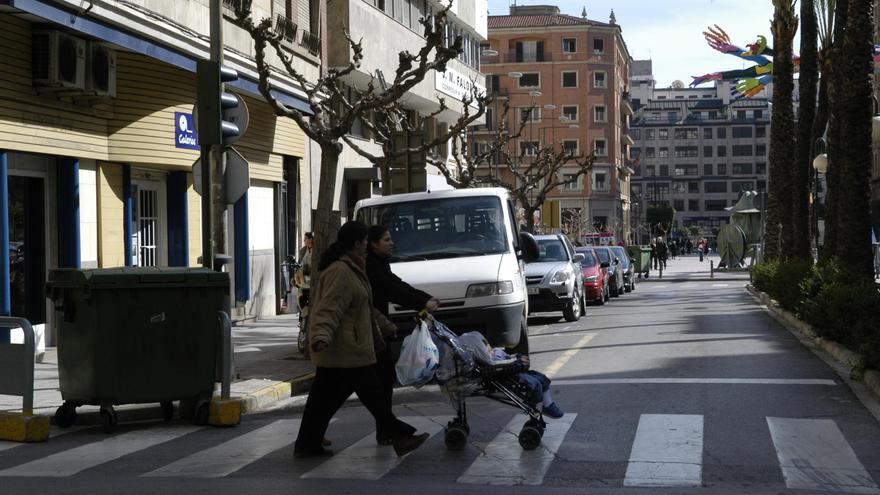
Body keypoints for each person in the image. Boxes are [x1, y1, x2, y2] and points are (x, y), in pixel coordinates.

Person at [293, 221, 429, 458]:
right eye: (365, 241)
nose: (367, 245)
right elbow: (329, 308)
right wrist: (321, 336)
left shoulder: (352, 269)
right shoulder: (341, 272)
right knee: (373, 397)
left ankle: (307, 443)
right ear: (356, 244)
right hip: (346, 349)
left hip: (346, 349)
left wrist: (386, 326)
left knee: (323, 401)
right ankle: (400, 436)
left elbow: (363, 306)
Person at [366, 225, 440, 445]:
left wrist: (424, 299)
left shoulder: (378, 262)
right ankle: (393, 432)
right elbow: (390, 289)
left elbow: (396, 284)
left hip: (372, 331)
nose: (391, 243)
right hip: (364, 334)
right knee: (377, 384)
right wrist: (421, 302)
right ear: (372, 243)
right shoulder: (370, 265)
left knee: (376, 383)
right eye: (386, 239)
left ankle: (387, 432)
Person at [459, 332, 563, 419]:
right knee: (534, 383)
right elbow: (501, 363)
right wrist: (517, 359)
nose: (488, 346)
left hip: (512, 368)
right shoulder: (490, 359)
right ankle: (544, 405)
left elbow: (507, 356)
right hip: (508, 373)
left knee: (542, 378)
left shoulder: (495, 352)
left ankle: (548, 405)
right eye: (485, 345)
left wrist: (516, 357)